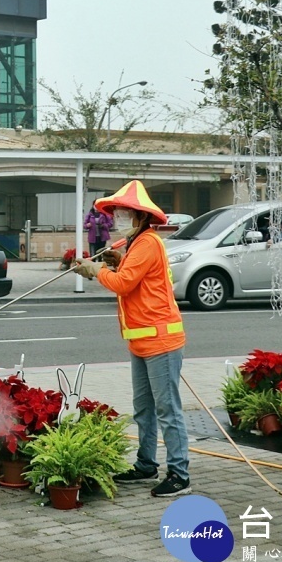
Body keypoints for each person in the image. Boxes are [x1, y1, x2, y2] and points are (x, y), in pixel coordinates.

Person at [73, 180, 190, 498]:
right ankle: (146, 464)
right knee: (144, 409)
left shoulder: (148, 243)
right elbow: (133, 277)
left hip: (160, 342)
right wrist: (113, 263)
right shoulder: (136, 244)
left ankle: (179, 474)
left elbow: (124, 284)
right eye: (118, 213)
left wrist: (95, 270)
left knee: (168, 410)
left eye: (125, 213)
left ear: (141, 216)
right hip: (142, 341)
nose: (119, 218)